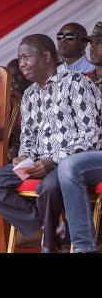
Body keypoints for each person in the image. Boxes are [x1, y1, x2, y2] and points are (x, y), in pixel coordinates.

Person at [0, 34, 102, 253]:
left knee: (50, 186)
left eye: (26, 57)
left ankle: (53, 243)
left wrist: (53, 161)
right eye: (19, 58)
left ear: (46, 56)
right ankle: (50, 230)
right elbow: (28, 137)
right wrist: (25, 156)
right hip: (37, 165)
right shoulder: (30, 94)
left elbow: (92, 135)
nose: (22, 63)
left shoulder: (77, 83)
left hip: (68, 161)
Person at [55, 22, 102, 253]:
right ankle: (47, 231)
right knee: (61, 161)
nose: (93, 47)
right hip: (91, 150)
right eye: (91, 41)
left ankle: (83, 247)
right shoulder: (85, 78)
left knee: (69, 164)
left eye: (100, 42)